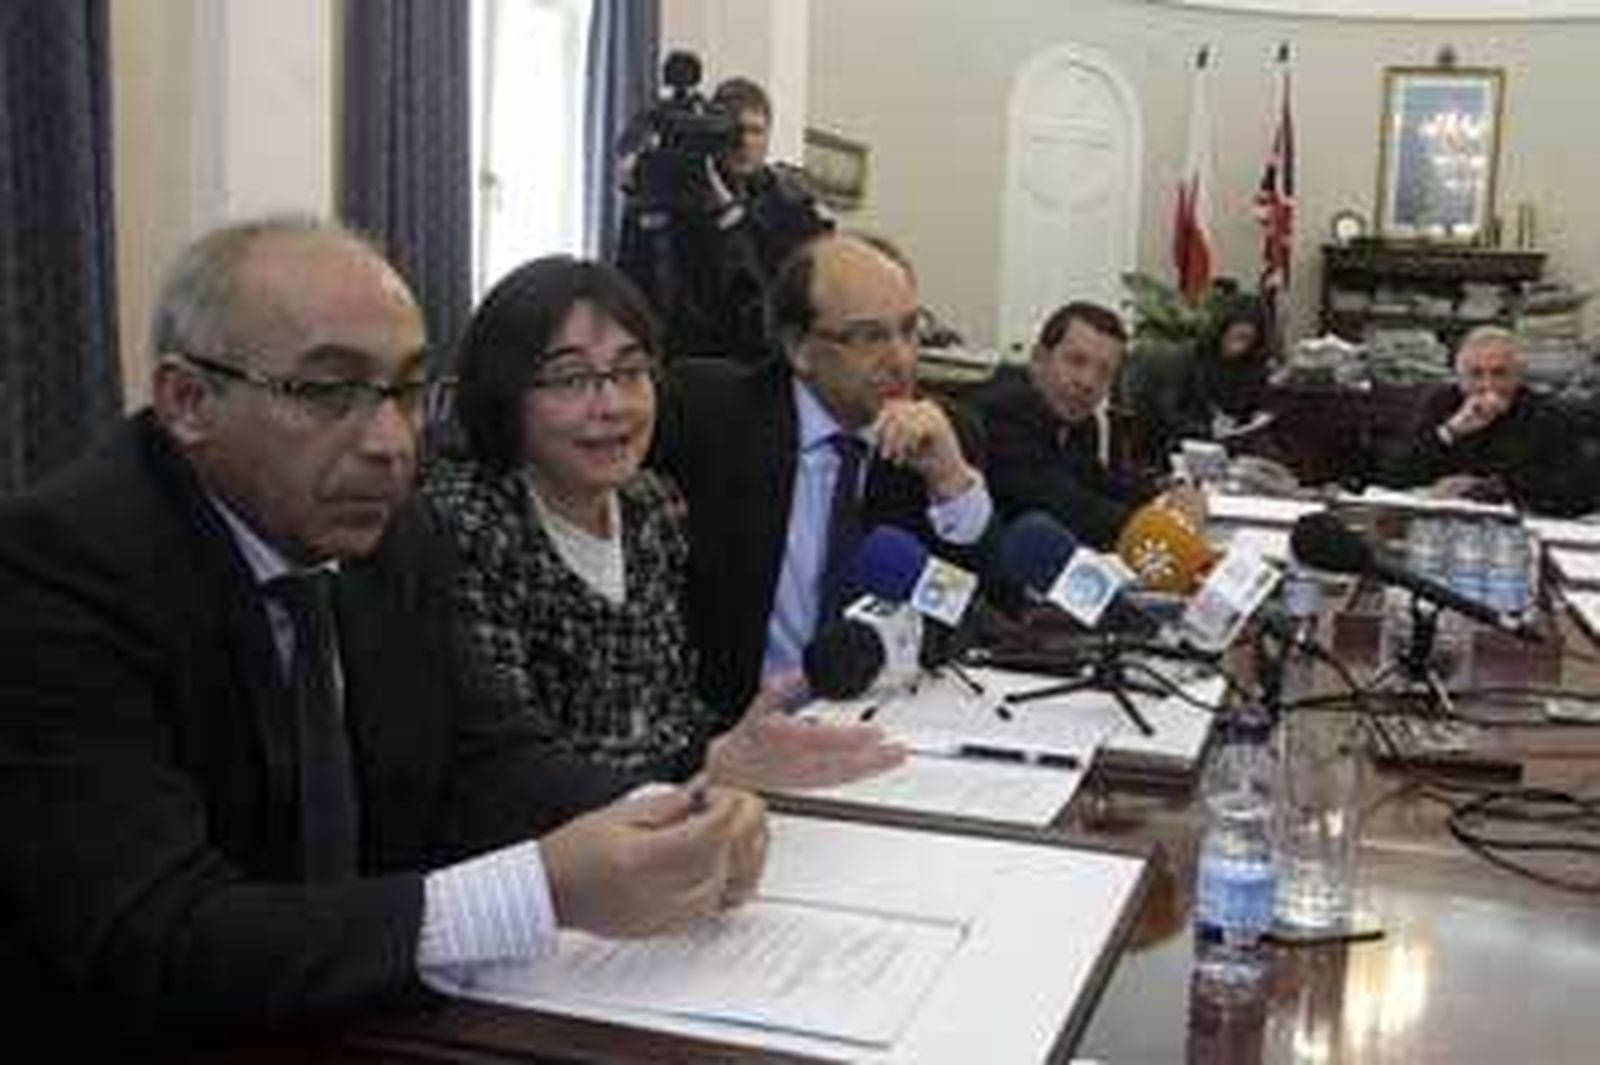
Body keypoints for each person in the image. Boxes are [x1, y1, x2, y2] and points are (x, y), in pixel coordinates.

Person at [0, 218, 768, 1050]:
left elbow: (488, 754)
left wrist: (668, 812)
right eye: (328, 392)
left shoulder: (391, 531)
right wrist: (538, 889)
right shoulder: (57, 573)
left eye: (405, 390)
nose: (390, 443)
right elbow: (160, 933)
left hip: (365, 1009)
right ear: (188, 400)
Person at [422, 254, 902, 784]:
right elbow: (505, 774)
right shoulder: (468, 525)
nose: (611, 406)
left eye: (630, 372)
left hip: (674, 817)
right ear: (504, 393)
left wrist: (732, 753)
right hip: (553, 850)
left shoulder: (651, 507)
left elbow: (673, 716)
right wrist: (707, 769)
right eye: (570, 378)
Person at [653, 232, 994, 717]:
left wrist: (951, 483)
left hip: (885, 726)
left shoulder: (942, 435)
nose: (900, 359)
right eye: (869, 336)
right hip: (733, 728)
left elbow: (966, 613)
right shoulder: (711, 411)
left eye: (909, 329)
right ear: (800, 348)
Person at [616, 73, 831, 363]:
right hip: (678, 357)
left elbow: (789, 291)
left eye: (755, 131)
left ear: (768, 136)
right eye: (734, 131)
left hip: (757, 359)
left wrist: (730, 215)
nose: (743, 142)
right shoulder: (675, 193)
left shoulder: (789, 201)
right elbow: (634, 283)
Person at [971, 300, 1205, 550]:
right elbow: (1060, 506)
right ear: (1039, 359)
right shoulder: (1003, 410)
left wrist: (1163, 494)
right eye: (1076, 361)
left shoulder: (1079, 420)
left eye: (1104, 372)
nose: (1088, 382)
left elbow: (1098, 482)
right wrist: (1163, 524)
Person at [1388, 325, 1594, 515]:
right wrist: (1451, 430)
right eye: (1476, 374)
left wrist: (1487, 488)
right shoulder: (1441, 403)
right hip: (1443, 523)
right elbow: (1394, 473)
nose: (1488, 385)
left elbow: (1577, 494)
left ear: (1518, 376)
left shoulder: (1547, 413)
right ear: (1460, 377)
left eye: (1500, 373)